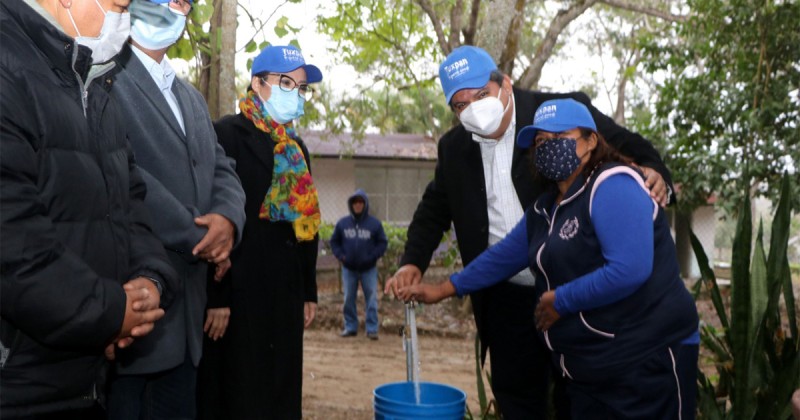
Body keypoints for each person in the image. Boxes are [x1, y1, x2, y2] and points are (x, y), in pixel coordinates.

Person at [384, 45, 675, 419]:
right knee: (519, 400)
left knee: (582, 393)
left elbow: (624, 142)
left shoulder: (556, 115)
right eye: (460, 105)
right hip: (505, 294)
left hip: (574, 288)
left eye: (481, 95)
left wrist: (655, 170)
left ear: (504, 84)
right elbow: (433, 209)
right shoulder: (454, 148)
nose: (473, 108)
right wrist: (413, 261)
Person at [0, 0, 178, 417]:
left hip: (86, 382)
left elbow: (133, 208)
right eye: (119, 4)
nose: (125, 18)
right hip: (16, 391)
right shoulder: (7, 68)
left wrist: (150, 284)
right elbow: (11, 245)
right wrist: (114, 312)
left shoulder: (95, 83)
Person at [104, 0, 247, 418]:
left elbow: (222, 167)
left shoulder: (189, 96)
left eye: (185, 1)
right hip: (135, 310)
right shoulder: (106, 77)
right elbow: (126, 175)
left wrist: (228, 221)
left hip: (187, 322)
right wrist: (201, 236)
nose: (177, 7)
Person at [207, 44, 322, 419]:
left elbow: (305, 227)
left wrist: (308, 291)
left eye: (301, 87)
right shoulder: (226, 134)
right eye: (286, 82)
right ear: (258, 83)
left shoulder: (294, 147)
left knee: (282, 392)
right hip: (240, 293)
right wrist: (217, 295)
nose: (296, 93)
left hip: (285, 293)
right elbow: (212, 219)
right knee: (240, 393)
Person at [331, 189, 389, 340]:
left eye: (360, 202)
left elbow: (382, 243)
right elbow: (334, 242)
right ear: (351, 204)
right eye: (355, 202)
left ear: (365, 204)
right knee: (349, 298)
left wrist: (373, 257)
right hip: (349, 269)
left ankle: (372, 329)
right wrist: (342, 257)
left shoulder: (374, 224)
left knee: (371, 298)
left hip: (368, 269)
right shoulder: (342, 224)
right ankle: (350, 327)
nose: (358, 205)